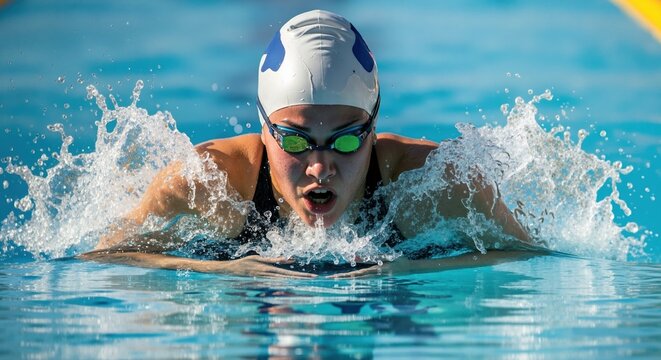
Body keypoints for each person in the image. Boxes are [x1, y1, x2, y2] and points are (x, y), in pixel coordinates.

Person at [81, 10, 532, 278]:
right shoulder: (208, 183)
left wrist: (409, 271)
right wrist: (224, 271)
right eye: (295, 141)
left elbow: (532, 255)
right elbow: (104, 256)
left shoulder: (433, 183)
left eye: (347, 139)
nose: (320, 167)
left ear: (373, 128)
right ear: (264, 128)